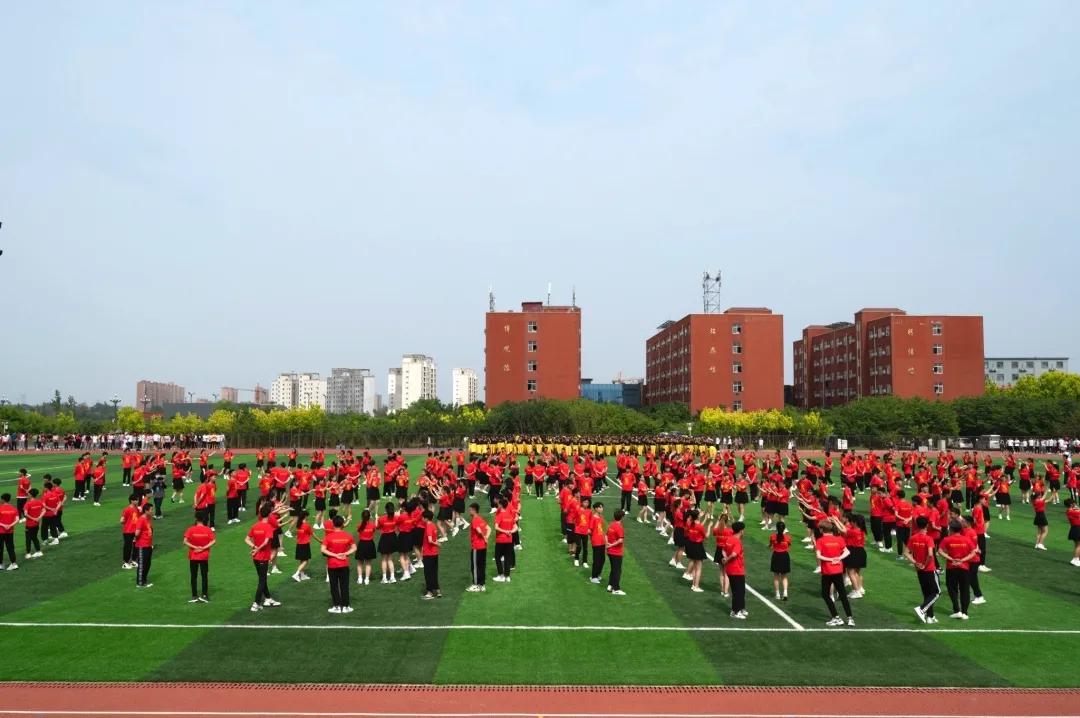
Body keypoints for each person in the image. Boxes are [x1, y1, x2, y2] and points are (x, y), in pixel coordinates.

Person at [938, 519, 978, 620]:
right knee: (965, 589)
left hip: (952, 567)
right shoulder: (966, 540)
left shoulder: (947, 539)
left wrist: (951, 559)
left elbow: (939, 551)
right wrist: (962, 560)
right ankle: (965, 613)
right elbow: (974, 552)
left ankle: (957, 610)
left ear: (951, 529)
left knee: (952, 589)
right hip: (964, 568)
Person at [816, 522, 853, 627]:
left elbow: (818, 555)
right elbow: (847, 552)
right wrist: (838, 558)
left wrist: (830, 559)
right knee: (843, 594)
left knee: (825, 594)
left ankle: (836, 617)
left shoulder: (820, 540)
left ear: (822, 530)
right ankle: (850, 618)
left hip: (827, 571)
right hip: (838, 570)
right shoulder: (839, 539)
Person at [245, 504, 281, 612]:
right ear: (269, 514)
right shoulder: (268, 527)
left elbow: (246, 539)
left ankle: (268, 598)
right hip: (263, 557)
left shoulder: (255, 526)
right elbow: (266, 542)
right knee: (262, 580)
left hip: (255, 557)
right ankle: (256, 603)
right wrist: (257, 548)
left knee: (262, 578)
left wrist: (254, 547)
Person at [905, 516, 940, 624]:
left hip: (919, 570)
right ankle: (921, 609)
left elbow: (906, 553)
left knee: (927, 594)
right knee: (936, 593)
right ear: (927, 525)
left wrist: (915, 562)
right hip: (929, 569)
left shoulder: (913, 538)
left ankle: (930, 617)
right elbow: (930, 554)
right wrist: (924, 564)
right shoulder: (929, 539)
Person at [321, 515, 356, 614]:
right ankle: (345, 607)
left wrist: (334, 555)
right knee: (344, 586)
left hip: (332, 565)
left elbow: (323, 549)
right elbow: (354, 548)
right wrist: (345, 554)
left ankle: (336, 606)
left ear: (333, 524)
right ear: (342, 524)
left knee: (334, 586)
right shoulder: (348, 535)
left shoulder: (328, 536)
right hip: (344, 564)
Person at [183, 512, 215, 603]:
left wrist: (194, 547)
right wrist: (203, 548)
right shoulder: (208, 530)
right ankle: (204, 595)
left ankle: (194, 596)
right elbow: (213, 541)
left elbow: (185, 541)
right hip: (204, 556)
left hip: (193, 556)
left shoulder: (190, 529)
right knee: (204, 576)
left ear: (196, 518)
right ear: (204, 518)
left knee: (193, 576)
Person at [722, 521, 747, 618]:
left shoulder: (729, 539)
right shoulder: (737, 541)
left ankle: (740, 608)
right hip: (737, 570)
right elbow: (734, 554)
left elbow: (723, 550)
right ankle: (735, 611)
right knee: (739, 591)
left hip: (730, 569)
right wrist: (727, 559)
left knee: (738, 591)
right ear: (741, 531)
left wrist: (724, 558)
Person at [466, 502, 490, 593]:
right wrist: (486, 538)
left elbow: (479, 531)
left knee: (475, 567)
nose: (469, 511)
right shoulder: (480, 519)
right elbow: (489, 528)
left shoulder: (475, 520)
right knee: (482, 566)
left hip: (476, 547)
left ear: (473, 510)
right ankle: (482, 585)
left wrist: (484, 537)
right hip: (483, 546)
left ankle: (476, 585)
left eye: (470, 510)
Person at [493, 497, 516, 583]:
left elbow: (496, 527)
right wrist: (510, 531)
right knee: (507, 558)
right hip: (509, 540)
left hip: (500, 540)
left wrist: (506, 531)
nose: (497, 505)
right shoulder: (509, 515)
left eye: (498, 504)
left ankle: (501, 575)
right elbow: (515, 527)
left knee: (497, 557)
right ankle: (507, 576)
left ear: (501, 505)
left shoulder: (499, 515)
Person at [420, 509, 442, 599]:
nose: (422, 519)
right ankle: (438, 591)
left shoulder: (428, 526)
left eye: (423, 518)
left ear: (426, 518)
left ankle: (430, 592)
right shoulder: (433, 525)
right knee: (434, 572)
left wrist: (437, 544)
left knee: (428, 573)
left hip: (428, 553)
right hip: (434, 553)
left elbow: (430, 540)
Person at [132, 503, 155, 588]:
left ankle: (144, 579)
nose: (152, 511)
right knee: (142, 564)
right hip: (142, 545)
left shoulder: (148, 518)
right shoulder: (141, 519)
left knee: (147, 563)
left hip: (148, 544)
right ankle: (140, 583)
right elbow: (137, 533)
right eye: (151, 510)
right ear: (146, 510)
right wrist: (135, 539)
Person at [768, 520, 791, 601]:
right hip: (785, 556)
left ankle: (777, 594)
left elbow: (770, 546)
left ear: (776, 528)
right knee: (784, 576)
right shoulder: (788, 537)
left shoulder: (773, 536)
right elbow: (789, 547)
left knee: (776, 577)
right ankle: (785, 593)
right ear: (784, 528)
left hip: (776, 556)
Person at [606, 509, 625, 596]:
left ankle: (610, 585)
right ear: (622, 517)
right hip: (616, 552)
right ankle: (616, 589)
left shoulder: (611, 525)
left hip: (610, 552)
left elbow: (606, 535)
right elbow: (620, 540)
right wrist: (611, 545)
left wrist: (607, 544)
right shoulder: (619, 527)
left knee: (613, 569)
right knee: (617, 570)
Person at [355, 509, 376, 585]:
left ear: (362, 517)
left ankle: (360, 578)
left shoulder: (359, 525)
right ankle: (366, 579)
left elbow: (358, 530)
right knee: (368, 563)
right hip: (370, 544)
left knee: (360, 563)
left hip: (362, 544)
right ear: (369, 517)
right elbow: (373, 530)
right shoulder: (372, 525)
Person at [22, 488, 44, 559]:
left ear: (31, 494)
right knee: (35, 537)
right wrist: (39, 518)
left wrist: (33, 518)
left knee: (28, 538)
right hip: (36, 524)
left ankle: (28, 553)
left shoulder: (28, 504)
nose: (27, 494)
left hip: (29, 524)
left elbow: (25, 514)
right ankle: (38, 551)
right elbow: (44, 510)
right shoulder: (39, 502)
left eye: (28, 493)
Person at [120, 494, 140, 570]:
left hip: (135, 531)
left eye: (137, 499)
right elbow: (121, 520)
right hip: (128, 531)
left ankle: (133, 561)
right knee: (128, 547)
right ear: (131, 501)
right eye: (136, 500)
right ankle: (125, 563)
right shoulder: (127, 509)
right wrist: (128, 523)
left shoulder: (136, 509)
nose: (137, 501)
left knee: (135, 546)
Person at [588, 502, 606, 585]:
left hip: (602, 541)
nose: (602, 509)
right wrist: (593, 538)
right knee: (597, 560)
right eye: (600, 507)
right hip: (596, 542)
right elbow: (589, 530)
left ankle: (597, 574)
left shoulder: (600, 517)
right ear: (596, 508)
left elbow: (601, 528)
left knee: (602, 559)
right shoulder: (593, 518)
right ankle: (593, 576)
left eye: (602, 507)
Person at [292, 510, 313, 582]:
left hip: (299, 544)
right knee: (306, 561)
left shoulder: (298, 525)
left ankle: (302, 575)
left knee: (301, 560)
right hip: (305, 545)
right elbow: (312, 534)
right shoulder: (307, 525)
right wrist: (320, 540)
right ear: (305, 516)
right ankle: (296, 574)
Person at [0, 493, 18, 571]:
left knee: (0, 548)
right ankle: (14, 564)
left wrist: (4, 525)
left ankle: (1, 565)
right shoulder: (14, 508)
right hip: (10, 531)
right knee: (10, 547)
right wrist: (10, 525)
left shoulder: (0, 508)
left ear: (3, 499)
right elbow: (17, 520)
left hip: (1, 531)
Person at [1065, 499, 1080, 567]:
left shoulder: (1068, 511)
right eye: (1073, 503)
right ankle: (1076, 559)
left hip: (1074, 528)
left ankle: (1075, 559)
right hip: (1077, 529)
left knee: (1077, 545)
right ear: (1071, 504)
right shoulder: (1072, 511)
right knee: (1078, 546)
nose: (1075, 504)